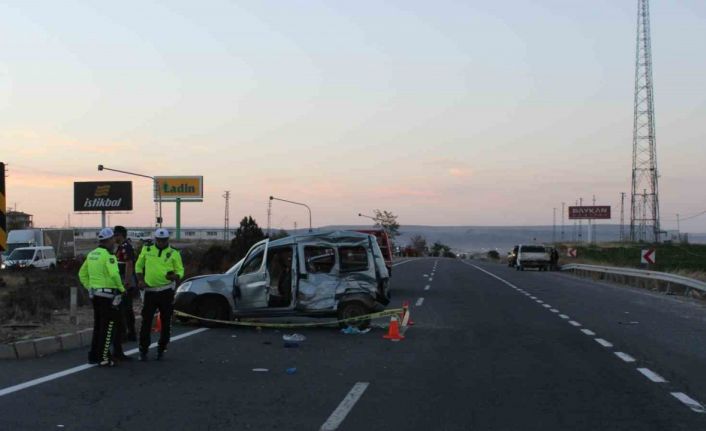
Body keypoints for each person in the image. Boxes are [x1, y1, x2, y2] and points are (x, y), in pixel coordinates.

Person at [78, 228, 126, 367]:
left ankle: (93, 355)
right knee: (108, 327)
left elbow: (82, 274)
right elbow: (114, 275)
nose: (114, 242)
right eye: (113, 240)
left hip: (96, 295)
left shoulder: (92, 254)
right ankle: (104, 358)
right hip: (108, 296)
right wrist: (122, 289)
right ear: (109, 240)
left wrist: (89, 287)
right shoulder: (108, 256)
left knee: (98, 326)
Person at [135, 228, 184, 361]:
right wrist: (140, 280)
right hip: (150, 291)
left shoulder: (174, 253)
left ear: (168, 240)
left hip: (166, 291)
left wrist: (175, 276)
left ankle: (162, 347)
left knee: (166, 320)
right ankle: (143, 349)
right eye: (159, 240)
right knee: (146, 321)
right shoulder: (147, 249)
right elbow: (138, 266)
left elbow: (180, 270)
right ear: (155, 239)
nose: (161, 242)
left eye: (164, 240)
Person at [113, 226, 137, 342]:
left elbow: (129, 264)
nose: (114, 237)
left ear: (120, 235)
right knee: (124, 309)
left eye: (115, 235)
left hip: (125, 281)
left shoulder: (126, 247)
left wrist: (126, 282)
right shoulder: (120, 247)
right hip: (121, 280)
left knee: (125, 309)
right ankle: (128, 333)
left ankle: (130, 333)